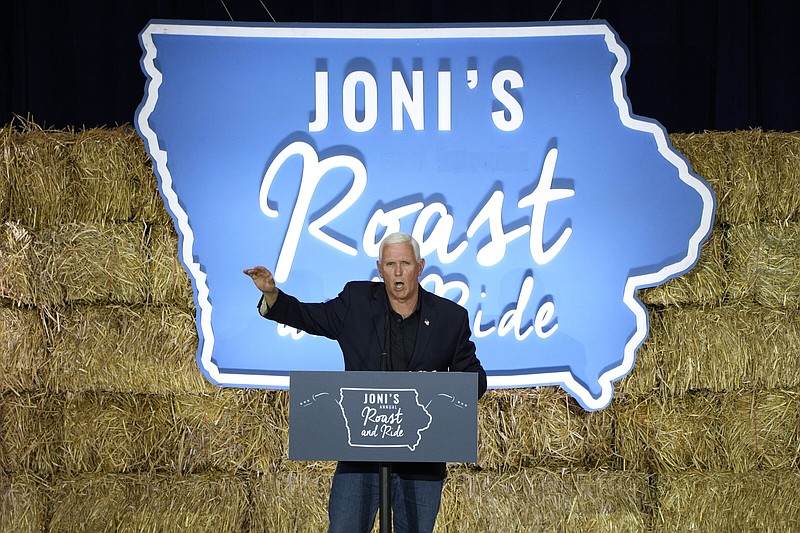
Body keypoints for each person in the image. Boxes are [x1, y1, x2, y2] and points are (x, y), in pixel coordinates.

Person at [244, 232, 487, 533]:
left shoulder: (450, 317)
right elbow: (310, 316)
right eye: (390, 264)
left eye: (405, 263)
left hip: (421, 459)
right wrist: (272, 295)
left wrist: (443, 386)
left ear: (420, 267)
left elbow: (475, 378)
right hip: (361, 455)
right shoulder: (356, 302)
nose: (398, 272)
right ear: (379, 268)